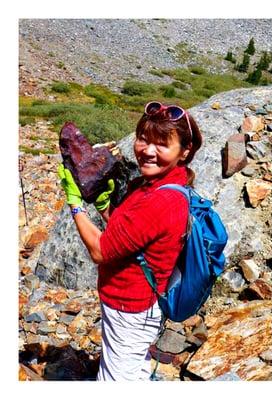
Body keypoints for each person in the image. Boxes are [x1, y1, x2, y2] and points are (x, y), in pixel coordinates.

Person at [57, 101, 203, 380]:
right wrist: (103, 206)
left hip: (130, 308)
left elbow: (100, 250)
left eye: (162, 144)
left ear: (184, 152)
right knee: (134, 371)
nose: (147, 151)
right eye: (143, 139)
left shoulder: (160, 200)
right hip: (140, 304)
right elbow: (130, 235)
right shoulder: (158, 184)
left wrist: (75, 205)